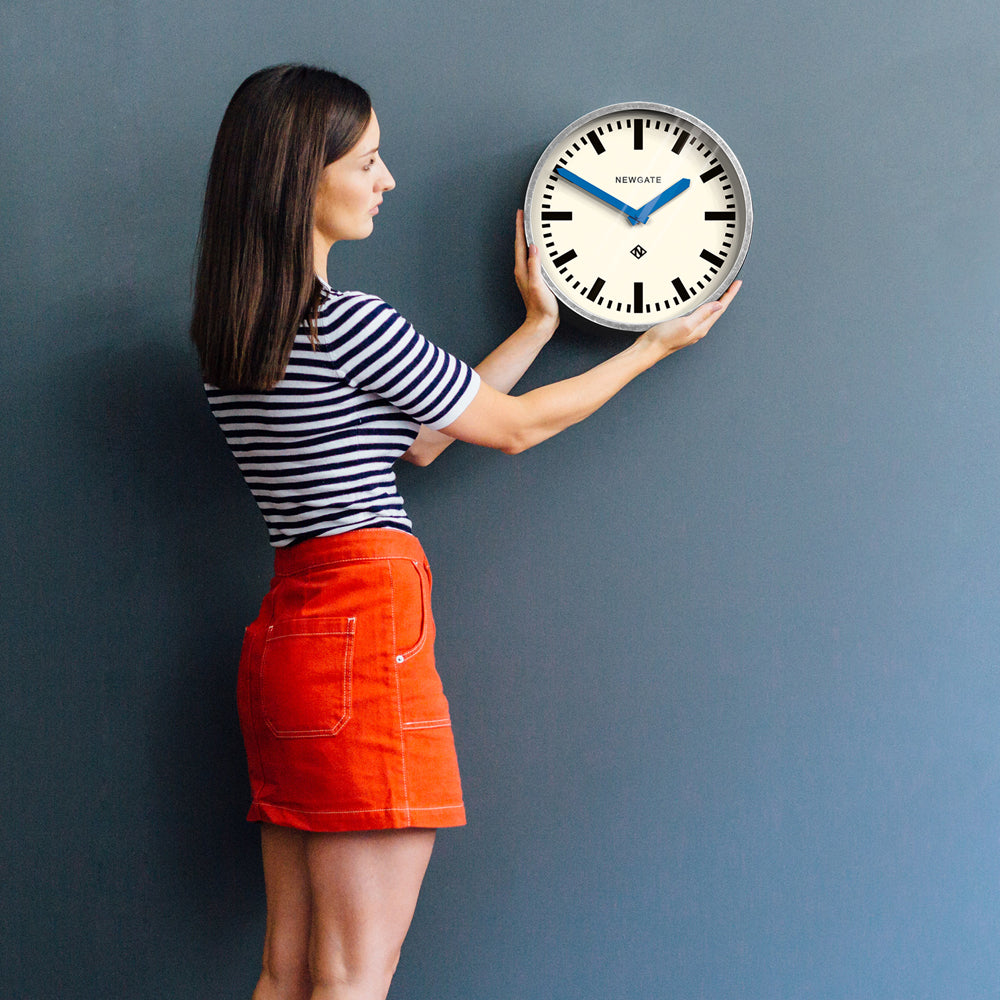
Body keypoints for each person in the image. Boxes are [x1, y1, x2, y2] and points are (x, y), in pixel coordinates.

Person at [190, 64, 740, 1000]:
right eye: (368, 160)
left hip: (290, 639)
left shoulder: (241, 334)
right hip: (363, 637)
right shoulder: (348, 323)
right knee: (356, 978)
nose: (386, 180)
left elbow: (425, 440)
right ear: (300, 176)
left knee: (288, 974)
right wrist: (652, 346)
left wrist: (534, 325)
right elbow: (513, 429)